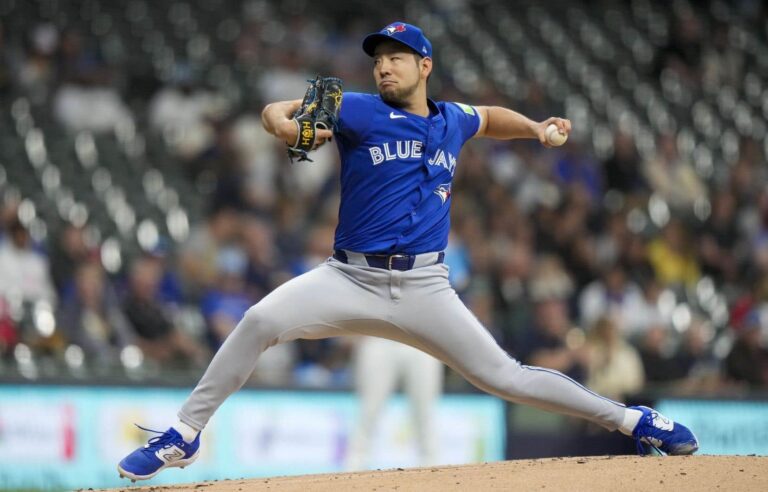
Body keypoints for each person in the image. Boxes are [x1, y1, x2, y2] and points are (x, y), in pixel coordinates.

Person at [118, 21, 698, 482]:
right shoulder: (355, 106)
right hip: (349, 278)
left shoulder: (451, 119)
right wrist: (283, 128)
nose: (383, 65)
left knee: (507, 377)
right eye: (377, 57)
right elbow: (282, 113)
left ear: (424, 66)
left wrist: (538, 130)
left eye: (395, 56)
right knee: (259, 319)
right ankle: (185, 433)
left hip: (425, 287)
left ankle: (634, 420)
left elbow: (491, 118)